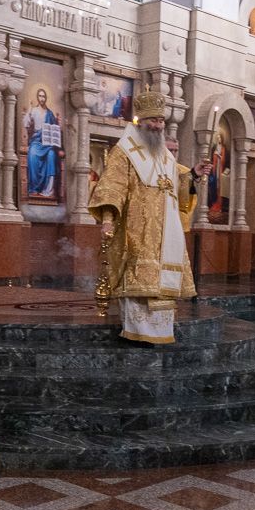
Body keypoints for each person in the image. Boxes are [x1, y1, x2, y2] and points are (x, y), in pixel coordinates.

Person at [88, 90, 210, 345]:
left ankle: (160, 332)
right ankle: (136, 331)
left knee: (160, 284)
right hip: (137, 230)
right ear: (140, 121)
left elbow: (177, 184)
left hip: (166, 232)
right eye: (153, 120)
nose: (158, 125)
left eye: (161, 120)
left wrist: (194, 175)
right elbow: (112, 187)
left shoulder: (165, 154)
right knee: (139, 281)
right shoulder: (125, 151)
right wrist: (108, 219)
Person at [24, 87, 61, 197]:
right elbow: (26, 123)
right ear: (37, 97)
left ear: (46, 98)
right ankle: (34, 189)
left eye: (43, 96)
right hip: (36, 141)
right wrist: (29, 108)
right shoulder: (34, 111)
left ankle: (48, 190)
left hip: (48, 143)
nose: (42, 98)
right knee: (32, 155)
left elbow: (55, 130)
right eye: (40, 96)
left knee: (52, 155)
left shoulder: (49, 113)